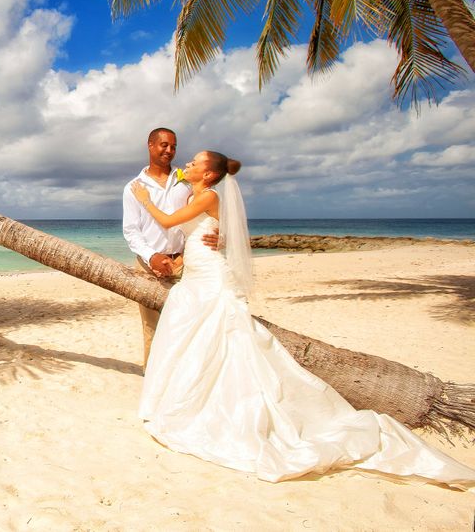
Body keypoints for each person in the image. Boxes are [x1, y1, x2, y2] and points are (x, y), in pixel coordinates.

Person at [130, 151, 475, 488]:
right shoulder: (195, 192)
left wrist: (144, 198)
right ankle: (186, 395)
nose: (186, 163)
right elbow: (200, 232)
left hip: (210, 277)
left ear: (208, 174)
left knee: (224, 338)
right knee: (194, 334)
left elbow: (169, 221)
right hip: (195, 272)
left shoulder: (208, 195)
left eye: (194, 162)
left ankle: (219, 405)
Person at [122, 127, 216, 364]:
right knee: (151, 326)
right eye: (164, 145)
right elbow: (131, 231)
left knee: (187, 322)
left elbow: (206, 215)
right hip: (148, 266)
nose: (170, 150)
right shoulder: (133, 188)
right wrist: (151, 256)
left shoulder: (186, 182)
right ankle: (152, 379)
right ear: (150, 145)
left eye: (173, 146)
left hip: (185, 263)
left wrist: (217, 236)